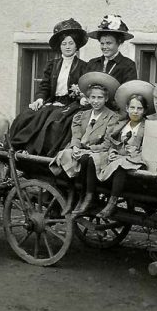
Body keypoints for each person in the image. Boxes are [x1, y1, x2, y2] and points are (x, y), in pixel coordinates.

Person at [9, 18, 89, 156]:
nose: (68, 47)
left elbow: (86, 88)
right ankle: (21, 149)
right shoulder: (52, 64)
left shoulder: (84, 66)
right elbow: (44, 86)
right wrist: (40, 99)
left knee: (54, 121)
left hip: (72, 104)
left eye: (71, 43)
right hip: (52, 101)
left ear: (77, 46)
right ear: (59, 46)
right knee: (27, 116)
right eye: (64, 44)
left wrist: (82, 97)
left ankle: (43, 154)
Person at [50, 72, 120, 216]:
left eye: (100, 98)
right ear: (87, 98)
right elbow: (76, 135)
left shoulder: (112, 117)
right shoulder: (81, 115)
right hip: (80, 149)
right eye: (93, 97)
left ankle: (87, 196)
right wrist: (75, 146)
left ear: (106, 98)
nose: (96, 101)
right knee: (65, 155)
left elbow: (107, 143)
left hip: (99, 152)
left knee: (85, 159)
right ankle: (72, 194)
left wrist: (86, 149)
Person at [91, 80, 154, 218]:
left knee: (121, 166)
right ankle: (90, 196)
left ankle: (112, 203)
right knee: (95, 159)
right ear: (126, 108)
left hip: (137, 161)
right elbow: (113, 143)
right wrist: (113, 152)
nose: (135, 111)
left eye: (139, 108)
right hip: (119, 158)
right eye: (132, 108)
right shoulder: (121, 125)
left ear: (144, 110)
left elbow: (149, 150)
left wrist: (129, 155)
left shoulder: (148, 127)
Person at [85, 15, 138, 84]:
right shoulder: (92, 63)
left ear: (118, 42)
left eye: (108, 43)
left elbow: (129, 90)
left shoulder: (128, 65)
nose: (104, 47)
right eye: (102, 43)